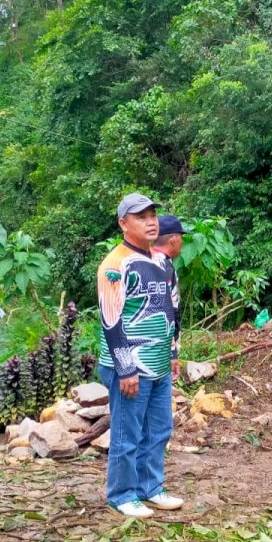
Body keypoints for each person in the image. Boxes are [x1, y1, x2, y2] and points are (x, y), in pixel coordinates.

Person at [96, 194, 185, 518]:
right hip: (129, 366)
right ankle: (121, 495)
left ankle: (151, 488)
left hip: (158, 364)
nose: (150, 222)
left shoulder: (161, 262)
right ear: (123, 223)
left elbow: (170, 308)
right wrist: (126, 369)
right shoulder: (115, 265)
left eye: (152, 216)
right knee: (127, 433)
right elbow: (111, 321)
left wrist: (172, 351)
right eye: (141, 217)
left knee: (159, 430)